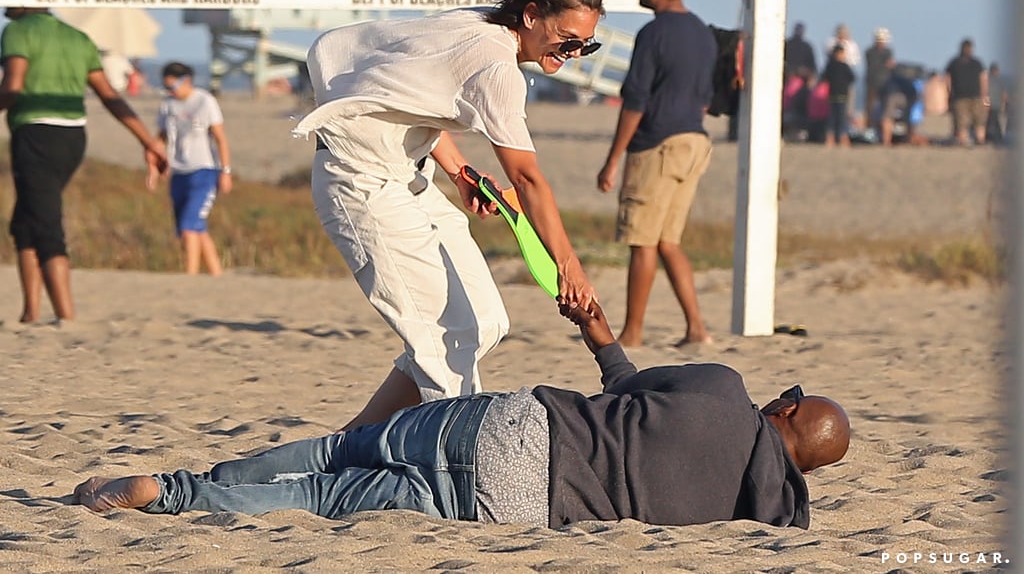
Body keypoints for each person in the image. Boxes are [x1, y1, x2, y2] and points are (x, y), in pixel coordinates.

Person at [72, 300, 851, 529]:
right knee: (324, 501)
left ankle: (171, 482)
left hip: (523, 427)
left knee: (337, 451)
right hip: (521, 504)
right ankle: (176, 502)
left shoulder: (721, 385)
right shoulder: (760, 516)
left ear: (783, 406)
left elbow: (625, 387)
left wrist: (598, 330)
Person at [290, 0, 603, 431]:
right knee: (446, 339)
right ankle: (443, 461)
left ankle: (351, 441)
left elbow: (415, 97)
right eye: (568, 40)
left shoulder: (477, 24)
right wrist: (569, 266)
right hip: (360, 183)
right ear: (532, 15)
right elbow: (527, 179)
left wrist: (458, 173)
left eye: (588, 45)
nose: (574, 53)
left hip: (410, 176)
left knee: (485, 325)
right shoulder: (497, 67)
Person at [0, 0, 166, 323]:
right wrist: (147, 140)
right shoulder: (78, 37)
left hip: (36, 132)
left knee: (45, 224)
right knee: (25, 220)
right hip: (73, 138)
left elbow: (12, 86)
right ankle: (30, 314)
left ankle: (66, 318)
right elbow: (110, 97)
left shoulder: (17, 31)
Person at [595, 0, 717, 348]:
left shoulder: (654, 33)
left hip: (658, 143)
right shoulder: (703, 32)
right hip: (695, 139)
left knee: (642, 241)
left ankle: (632, 332)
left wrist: (612, 160)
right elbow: (707, 98)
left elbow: (636, 101)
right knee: (668, 241)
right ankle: (696, 328)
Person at [146, 62, 233, 275]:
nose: (170, 91)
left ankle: (190, 276)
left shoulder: (205, 101)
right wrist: (154, 168)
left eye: (172, 86)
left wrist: (226, 171)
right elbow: (161, 138)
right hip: (179, 172)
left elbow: (220, 138)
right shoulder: (168, 105)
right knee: (197, 228)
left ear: (186, 81)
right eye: (166, 88)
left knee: (188, 226)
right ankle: (216, 274)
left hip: (203, 171)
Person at [945, 38, 988, 146]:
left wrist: (950, 93)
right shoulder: (977, 63)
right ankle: (979, 141)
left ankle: (964, 141)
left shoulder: (954, 63)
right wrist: (985, 97)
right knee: (978, 122)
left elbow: (947, 80)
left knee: (963, 123)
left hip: (961, 97)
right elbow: (983, 80)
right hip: (973, 97)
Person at [876, 60, 919, 146]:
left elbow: (882, 92)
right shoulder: (907, 80)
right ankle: (908, 138)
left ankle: (886, 140)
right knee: (908, 119)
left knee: (887, 118)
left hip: (891, 95)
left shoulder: (889, 79)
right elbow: (914, 93)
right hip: (907, 97)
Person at [821, 45, 855, 148]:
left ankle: (843, 138)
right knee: (832, 118)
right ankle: (830, 138)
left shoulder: (845, 66)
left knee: (842, 118)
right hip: (832, 95)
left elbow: (852, 78)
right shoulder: (831, 66)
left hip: (842, 95)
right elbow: (824, 77)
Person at [863, 27, 893, 126]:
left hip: (884, 83)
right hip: (873, 82)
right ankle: (870, 125)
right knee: (870, 106)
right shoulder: (870, 52)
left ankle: (880, 125)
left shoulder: (887, 52)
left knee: (884, 106)